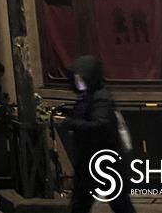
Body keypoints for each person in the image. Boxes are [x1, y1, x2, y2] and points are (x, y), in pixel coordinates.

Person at [54, 55, 136, 213]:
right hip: (92, 160)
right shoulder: (88, 96)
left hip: (102, 160)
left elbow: (100, 125)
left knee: (118, 202)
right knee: (86, 202)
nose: (77, 82)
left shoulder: (100, 97)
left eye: (80, 78)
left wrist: (68, 122)